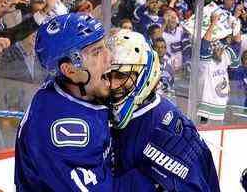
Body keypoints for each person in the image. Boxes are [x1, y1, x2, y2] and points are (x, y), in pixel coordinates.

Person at [107, 29, 220, 191]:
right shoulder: (127, 113)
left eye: (120, 75)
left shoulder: (168, 130)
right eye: (107, 75)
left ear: (144, 75)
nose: (112, 84)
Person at [15, 13, 113, 191]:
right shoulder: (60, 131)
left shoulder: (69, 87)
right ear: (69, 70)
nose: (110, 57)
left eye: (105, 47)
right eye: (97, 52)